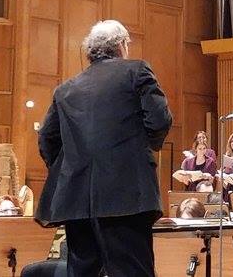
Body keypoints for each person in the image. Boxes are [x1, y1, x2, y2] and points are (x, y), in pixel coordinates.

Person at [35, 20, 172, 277]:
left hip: (76, 201)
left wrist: (72, 169)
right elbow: (159, 120)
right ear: (121, 45)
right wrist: (144, 149)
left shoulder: (65, 90)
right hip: (127, 195)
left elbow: (46, 139)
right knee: (133, 272)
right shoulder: (137, 71)